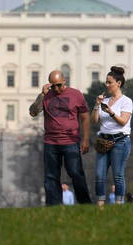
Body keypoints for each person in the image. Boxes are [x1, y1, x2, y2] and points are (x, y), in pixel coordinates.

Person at [29, 70, 92, 206]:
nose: (56, 89)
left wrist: (86, 139)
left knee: (76, 173)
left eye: (58, 85)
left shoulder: (76, 95)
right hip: (51, 142)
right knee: (51, 177)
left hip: (71, 141)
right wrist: (42, 95)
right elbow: (33, 112)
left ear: (64, 81)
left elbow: (85, 117)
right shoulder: (46, 96)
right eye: (53, 86)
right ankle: (53, 207)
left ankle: (85, 203)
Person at [92, 66, 133, 206]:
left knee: (118, 175)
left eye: (110, 82)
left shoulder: (126, 101)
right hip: (104, 140)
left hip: (120, 141)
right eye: (106, 82)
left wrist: (111, 112)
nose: (107, 85)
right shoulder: (104, 100)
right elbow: (94, 121)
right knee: (99, 175)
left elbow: (123, 121)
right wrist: (97, 105)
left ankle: (118, 203)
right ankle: (100, 204)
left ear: (118, 84)